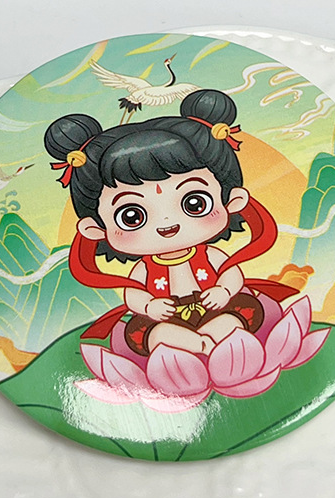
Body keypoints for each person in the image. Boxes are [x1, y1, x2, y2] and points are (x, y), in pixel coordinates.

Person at [44, 89, 296, 357]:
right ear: (95, 229)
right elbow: (134, 295)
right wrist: (149, 307)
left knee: (237, 316)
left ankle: (221, 343)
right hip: (166, 320)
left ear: (232, 201)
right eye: (132, 216)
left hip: (217, 308)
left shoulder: (210, 256)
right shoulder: (144, 269)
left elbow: (230, 273)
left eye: (194, 203)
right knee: (152, 333)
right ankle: (198, 347)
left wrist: (223, 290)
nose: (167, 224)